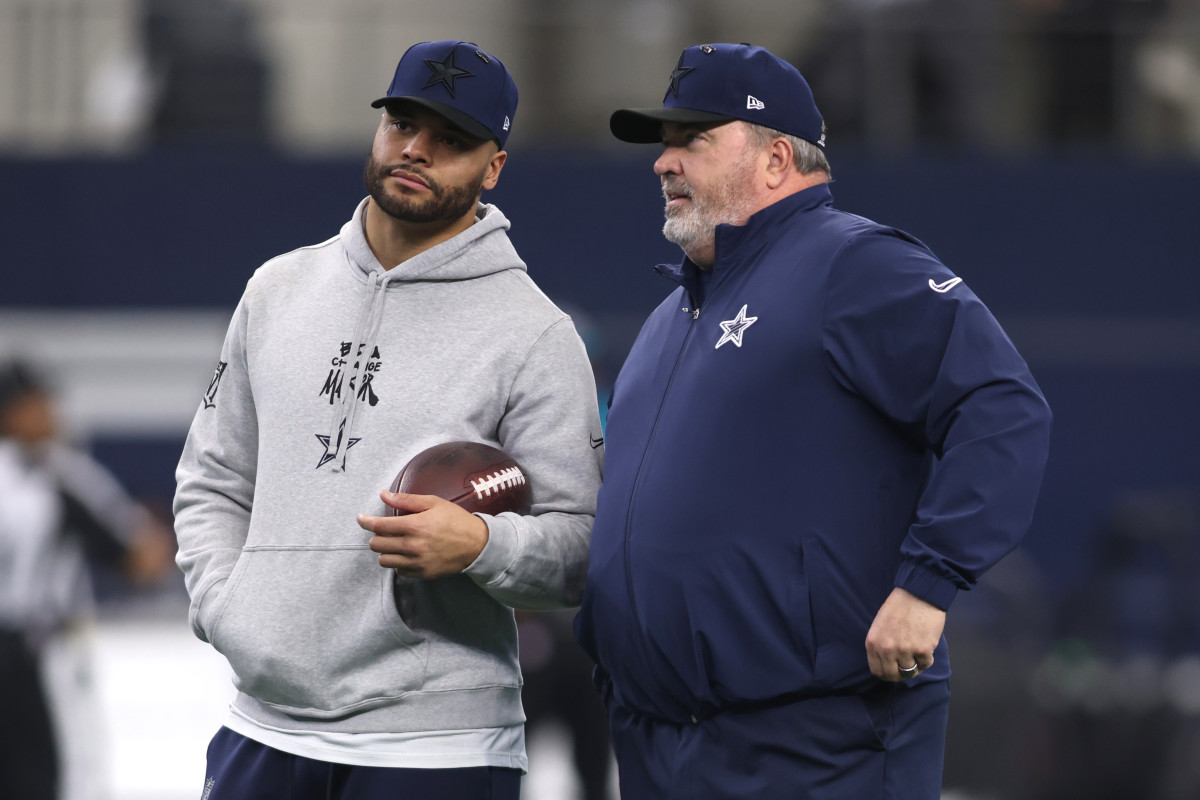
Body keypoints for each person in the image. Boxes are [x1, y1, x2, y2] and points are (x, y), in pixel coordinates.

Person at [573, 43, 1053, 799]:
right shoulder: (676, 313)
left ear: (775, 159)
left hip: (813, 745)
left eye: (692, 139)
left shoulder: (852, 264)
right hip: (658, 740)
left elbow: (1001, 407)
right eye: (662, 145)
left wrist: (928, 584)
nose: (664, 163)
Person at [172, 40, 604, 800]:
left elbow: (582, 545)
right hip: (262, 726)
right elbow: (212, 478)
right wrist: (226, 607)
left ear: (493, 167)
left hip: (437, 745)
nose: (415, 149)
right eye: (402, 123)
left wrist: (482, 543)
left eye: (451, 139)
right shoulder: (276, 289)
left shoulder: (534, 333)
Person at [0, 359, 173, 800]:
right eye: (39, 404)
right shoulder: (55, 475)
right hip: (38, 653)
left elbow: (137, 553)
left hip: (38, 648)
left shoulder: (59, 473)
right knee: (55, 775)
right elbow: (143, 558)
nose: (51, 413)